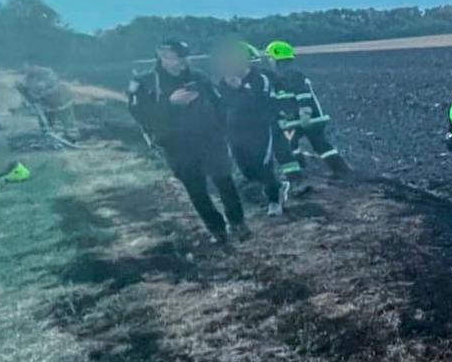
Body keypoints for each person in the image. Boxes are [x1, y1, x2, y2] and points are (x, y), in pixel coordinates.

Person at [127, 38, 247, 244]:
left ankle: (238, 223)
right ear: (162, 56)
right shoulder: (146, 83)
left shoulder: (198, 76)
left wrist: (226, 116)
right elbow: (140, 114)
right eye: (175, 58)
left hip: (209, 138)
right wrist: (170, 103)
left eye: (184, 57)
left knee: (224, 180)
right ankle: (217, 230)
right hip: (176, 143)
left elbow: (219, 103)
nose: (181, 63)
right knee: (196, 188)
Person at [212, 40, 290, 218]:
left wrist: (240, 88)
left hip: (260, 129)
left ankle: (274, 200)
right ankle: (274, 187)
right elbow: (221, 106)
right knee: (246, 168)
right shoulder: (223, 82)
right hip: (234, 132)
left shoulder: (260, 78)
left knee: (264, 165)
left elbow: (259, 104)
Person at [261, 40, 351, 177]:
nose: (269, 61)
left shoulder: (292, 74)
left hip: (310, 118)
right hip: (294, 119)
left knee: (317, 143)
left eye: (270, 58)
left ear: (276, 58)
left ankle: (341, 171)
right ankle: (334, 171)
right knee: (294, 143)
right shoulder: (279, 76)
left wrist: (305, 113)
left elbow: (303, 95)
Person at [16, 63, 78, 136]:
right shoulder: (28, 78)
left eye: (28, 67)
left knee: (68, 123)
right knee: (46, 124)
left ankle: (73, 137)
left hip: (61, 101)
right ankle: (49, 136)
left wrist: (39, 94)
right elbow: (28, 95)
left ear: (34, 66)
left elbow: (54, 87)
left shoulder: (47, 73)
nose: (26, 70)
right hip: (46, 106)